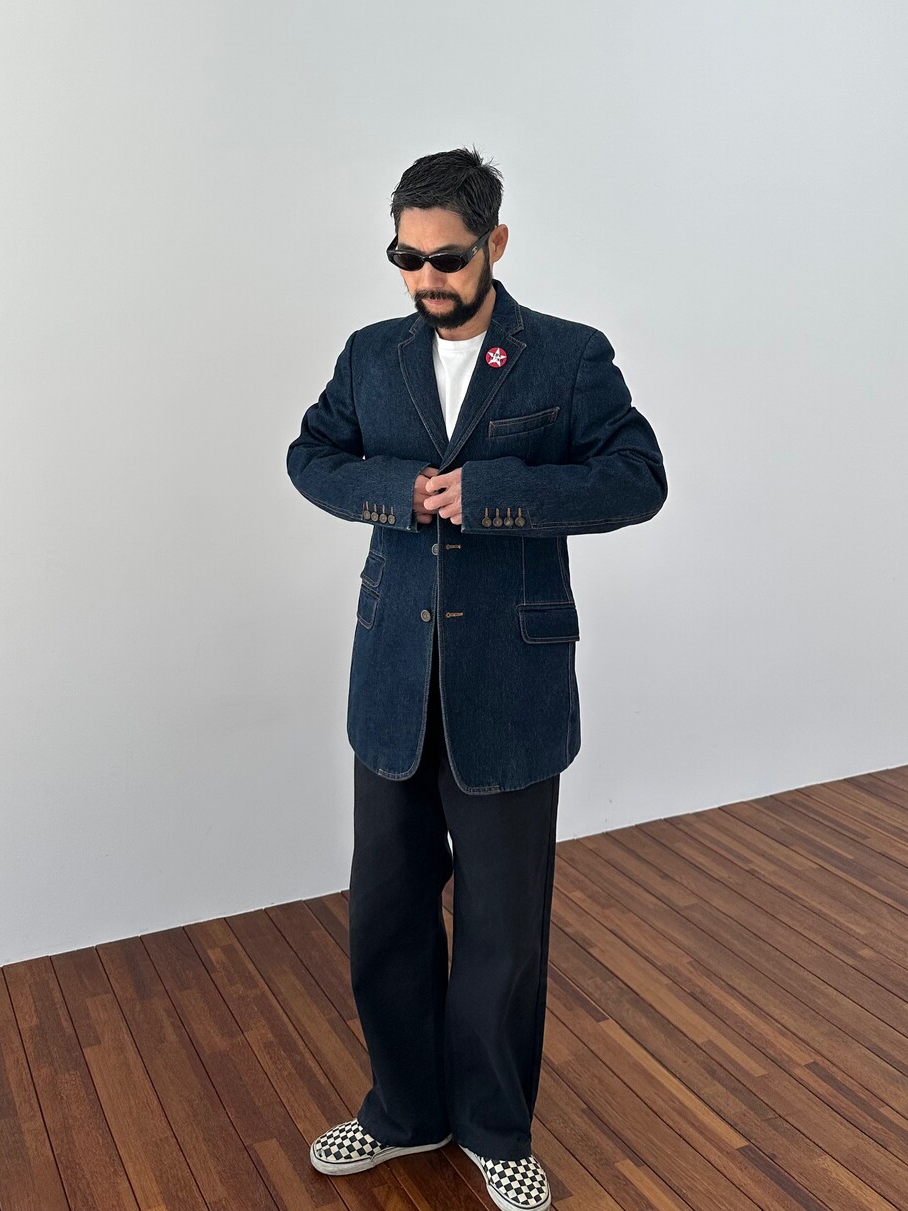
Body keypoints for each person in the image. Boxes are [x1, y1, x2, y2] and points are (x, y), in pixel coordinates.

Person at [286, 146, 667, 1211]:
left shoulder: (568, 356)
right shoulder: (371, 355)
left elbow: (637, 479)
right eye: (405, 258)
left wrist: (494, 494)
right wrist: (399, 490)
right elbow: (310, 456)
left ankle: (497, 1128)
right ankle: (404, 1112)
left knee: (502, 929)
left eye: (446, 258)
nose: (426, 279)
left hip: (510, 681)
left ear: (494, 242)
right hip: (392, 680)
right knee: (386, 913)